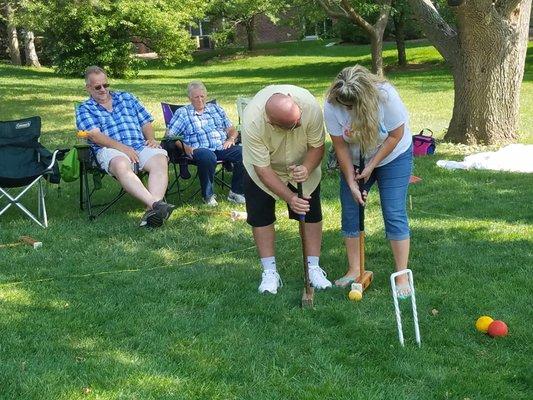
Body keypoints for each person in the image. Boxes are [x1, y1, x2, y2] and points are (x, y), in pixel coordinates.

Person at [324, 65, 413, 297]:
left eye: (351, 106)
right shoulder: (332, 104)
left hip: (393, 155)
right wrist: (352, 181)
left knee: (393, 211)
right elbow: (340, 146)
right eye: (344, 105)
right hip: (354, 159)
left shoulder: (386, 97)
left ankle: (402, 275)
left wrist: (372, 165)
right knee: (351, 210)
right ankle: (354, 269)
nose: (347, 109)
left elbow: (396, 135)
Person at [242, 85, 332, 294]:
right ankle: (269, 272)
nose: (299, 123)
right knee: (261, 215)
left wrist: (307, 168)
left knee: (311, 213)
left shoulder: (309, 106)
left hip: (302, 161)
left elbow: (317, 146)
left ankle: (313, 268)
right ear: (270, 121)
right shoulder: (253, 121)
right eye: (293, 125)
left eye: (298, 119)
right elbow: (263, 170)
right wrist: (290, 197)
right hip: (263, 167)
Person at [76, 65, 174, 228]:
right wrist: (123, 149)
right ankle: (156, 205)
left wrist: (150, 138)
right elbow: (95, 136)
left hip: (139, 145)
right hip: (109, 150)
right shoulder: (85, 109)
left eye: (105, 85)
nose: (103, 90)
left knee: (160, 159)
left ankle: (152, 211)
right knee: (121, 165)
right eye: (97, 87)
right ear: (88, 88)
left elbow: (145, 121)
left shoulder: (127, 98)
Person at [166, 81, 245, 207]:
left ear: (206, 96)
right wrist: (185, 147)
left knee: (244, 153)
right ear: (189, 98)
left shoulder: (216, 109)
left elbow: (231, 129)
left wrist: (231, 139)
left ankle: (236, 192)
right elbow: (169, 135)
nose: (200, 100)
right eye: (196, 97)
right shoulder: (183, 113)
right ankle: (208, 196)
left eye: (202, 96)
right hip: (198, 148)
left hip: (221, 146)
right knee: (208, 156)